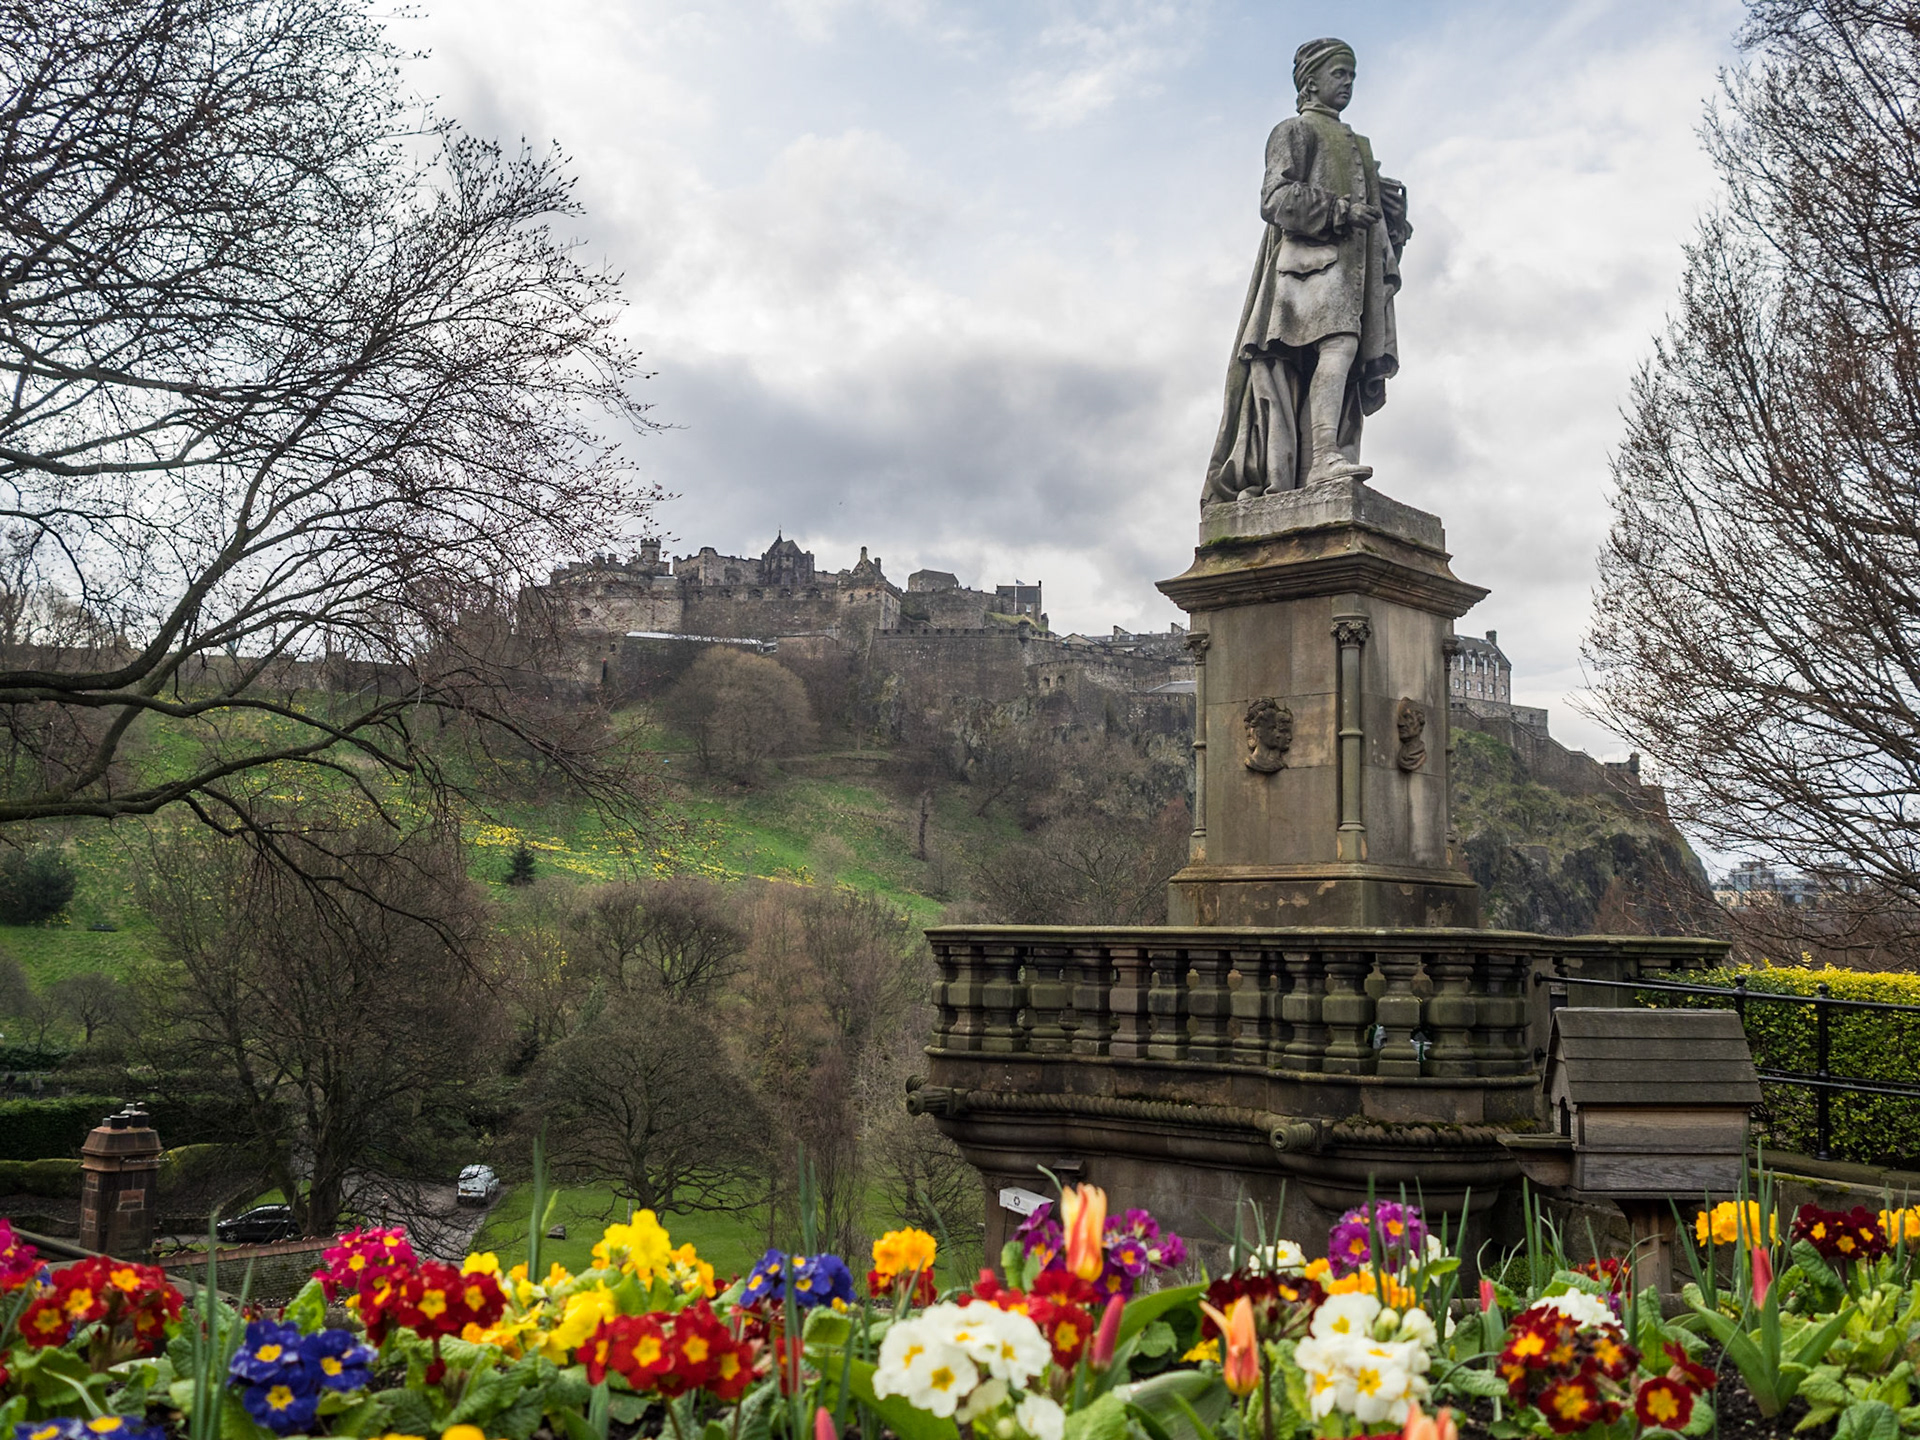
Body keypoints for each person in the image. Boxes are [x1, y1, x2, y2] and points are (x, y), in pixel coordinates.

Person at [1203, 38, 1412, 501]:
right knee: (1340, 345)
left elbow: (1378, 226)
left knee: (1345, 355)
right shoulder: (1294, 131)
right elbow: (1274, 198)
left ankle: (1325, 455)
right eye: (1340, 74)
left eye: (1353, 76)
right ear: (1311, 80)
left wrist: (1391, 214)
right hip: (1305, 272)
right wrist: (1339, 211)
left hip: (1349, 274)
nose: (1348, 84)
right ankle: (1322, 456)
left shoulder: (1357, 144)